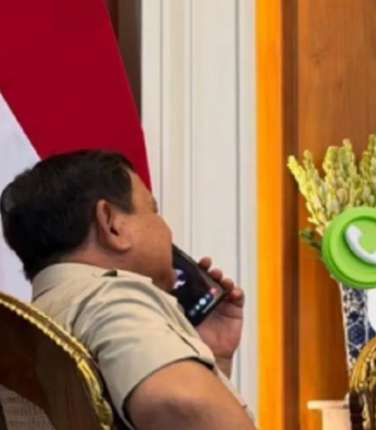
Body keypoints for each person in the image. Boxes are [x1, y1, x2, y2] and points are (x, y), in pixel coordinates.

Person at [0, 150, 256, 430]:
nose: (166, 229)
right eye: (153, 210)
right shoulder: (111, 297)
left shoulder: (37, 323)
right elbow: (181, 402)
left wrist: (206, 353)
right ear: (111, 223)